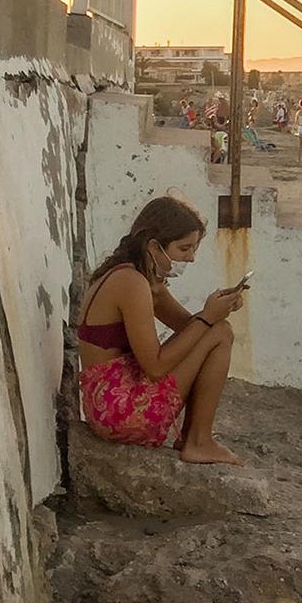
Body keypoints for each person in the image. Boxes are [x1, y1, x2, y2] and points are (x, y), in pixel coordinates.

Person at [76, 195, 246, 465]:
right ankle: (199, 441)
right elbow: (155, 367)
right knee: (220, 331)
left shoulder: (143, 280)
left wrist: (218, 311)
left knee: (218, 329)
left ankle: (194, 438)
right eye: (184, 248)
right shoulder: (130, 282)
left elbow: (192, 332)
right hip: (120, 411)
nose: (191, 258)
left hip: (108, 405)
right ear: (155, 247)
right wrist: (208, 318)